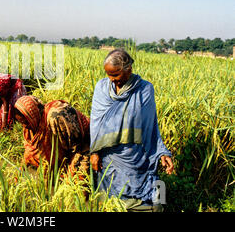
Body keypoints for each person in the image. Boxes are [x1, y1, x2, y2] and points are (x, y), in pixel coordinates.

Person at [89, 49, 174, 212]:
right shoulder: (101, 87)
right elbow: (95, 123)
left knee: (154, 204)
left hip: (136, 156)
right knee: (108, 200)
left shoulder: (145, 89)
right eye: (108, 75)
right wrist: (94, 152)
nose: (112, 80)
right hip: (109, 157)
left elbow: (151, 125)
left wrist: (162, 151)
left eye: (115, 75)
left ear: (129, 70)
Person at [14, 95, 90, 177]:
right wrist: (19, 172)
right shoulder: (32, 124)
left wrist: (70, 171)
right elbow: (30, 151)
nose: (24, 126)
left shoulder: (56, 117)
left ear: (32, 114)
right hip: (66, 148)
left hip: (85, 143)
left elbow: (77, 146)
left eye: (25, 122)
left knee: (76, 179)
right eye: (21, 122)